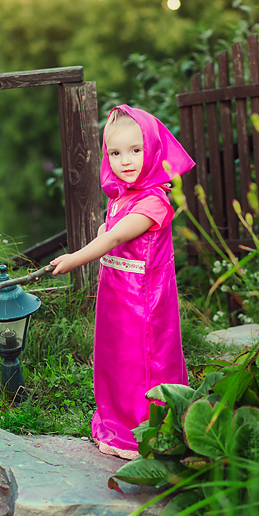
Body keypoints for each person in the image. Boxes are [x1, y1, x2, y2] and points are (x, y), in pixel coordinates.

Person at [50, 104, 196, 460]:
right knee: (115, 359)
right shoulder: (122, 199)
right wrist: (103, 228)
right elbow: (109, 229)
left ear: (154, 151)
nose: (125, 161)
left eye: (136, 150)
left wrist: (75, 258)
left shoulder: (154, 203)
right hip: (116, 295)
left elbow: (113, 239)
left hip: (144, 301)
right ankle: (118, 418)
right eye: (115, 153)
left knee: (144, 360)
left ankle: (145, 427)